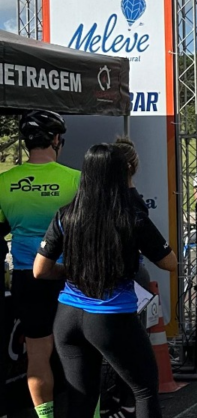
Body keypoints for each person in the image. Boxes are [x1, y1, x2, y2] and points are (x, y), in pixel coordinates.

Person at [33, 143, 176, 418]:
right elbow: (168, 262)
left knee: (81, 398)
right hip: (111, 316)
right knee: (144, 389)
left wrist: (75, 270)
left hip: (68, 316)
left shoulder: (66, 214)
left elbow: (40, 270)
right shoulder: (131, 217)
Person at [0, 110, 79, 418]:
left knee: (37, 355)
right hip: (70, 277)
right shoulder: (75, 179)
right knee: (82, 353)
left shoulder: (3, 181)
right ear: (57, 139)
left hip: (26, 277)